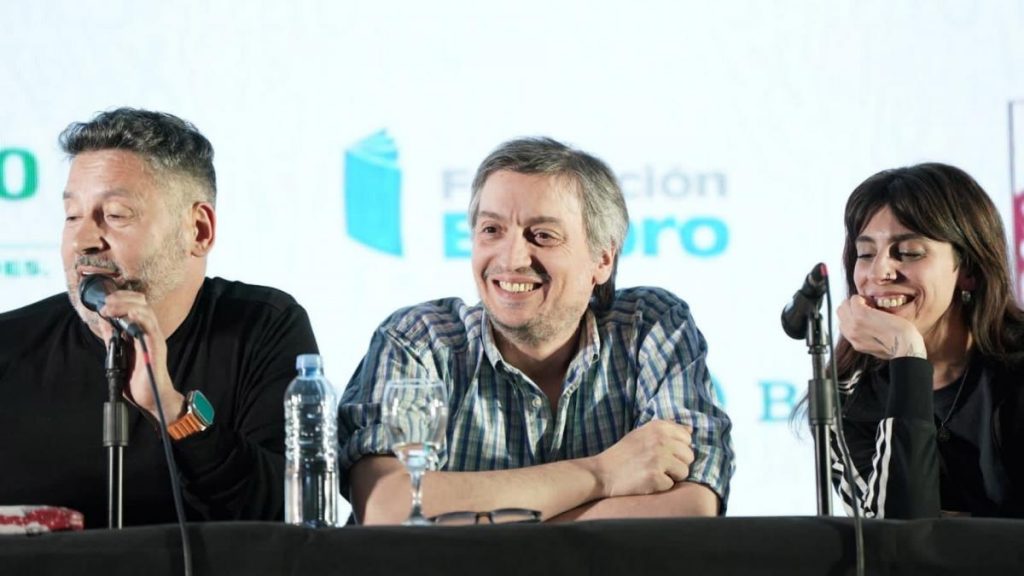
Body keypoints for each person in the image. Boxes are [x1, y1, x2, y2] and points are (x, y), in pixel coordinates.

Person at [338, 137, 734, 524]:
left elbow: (691, 509)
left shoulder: (650, 327)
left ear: (603, 259)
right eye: (492, 230)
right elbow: (388, 508)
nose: (512, 258)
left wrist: (483, 524)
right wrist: (602, 473)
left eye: (543, 235)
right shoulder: (419, 341)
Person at [0, 108, 319, 527]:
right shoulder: (12, 344)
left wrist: (168, 406)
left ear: (198, 230)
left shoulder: (262, 328)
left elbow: (289, 520)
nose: (83, 241)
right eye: (72, 216)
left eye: (116, 215)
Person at [831, 162, 1024, 518]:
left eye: (908, 253)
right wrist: (907, 356)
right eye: (866, 254)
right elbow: (899, 533)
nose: (879, 272)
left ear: (968, 270)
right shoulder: (847, 394)